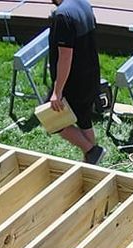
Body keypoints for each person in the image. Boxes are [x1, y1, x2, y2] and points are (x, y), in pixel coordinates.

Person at [46, 0, 105, 165]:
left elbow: (65, 57)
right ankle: (91, 162)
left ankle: (92, 151)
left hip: (73, 82)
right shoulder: (83, 3)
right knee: (84, 119)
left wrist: (57, 91)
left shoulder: (62, 16)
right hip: (91, 74)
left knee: (52, 118)